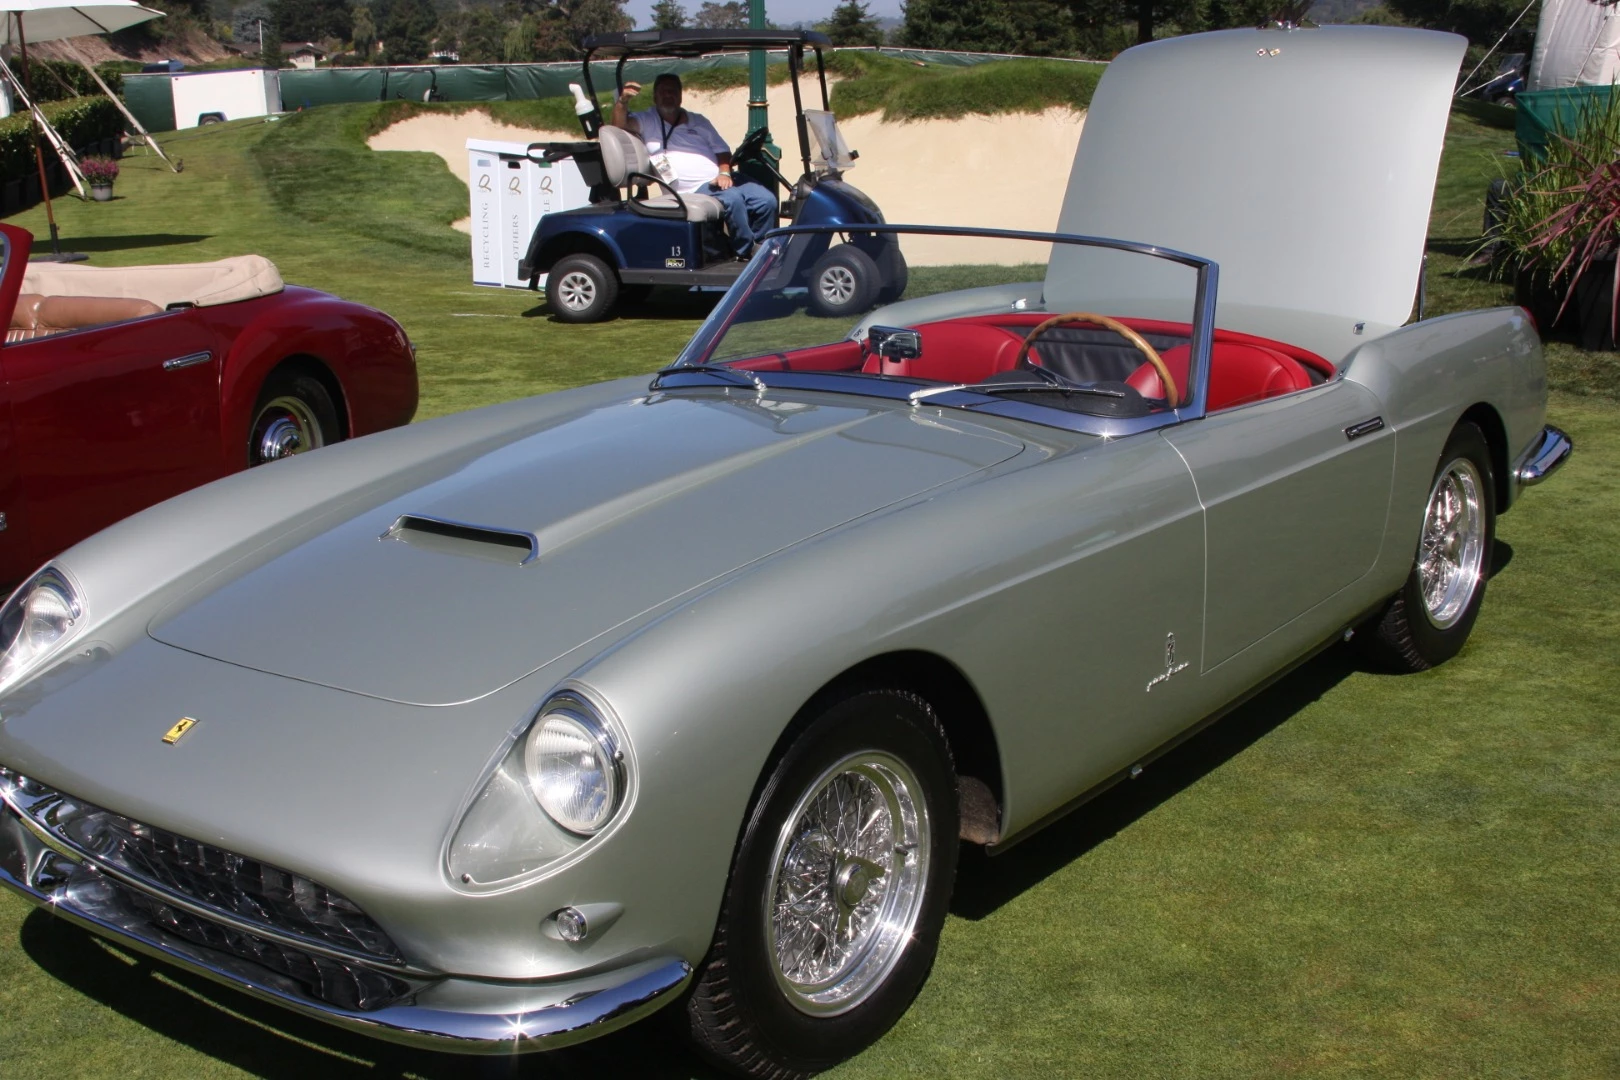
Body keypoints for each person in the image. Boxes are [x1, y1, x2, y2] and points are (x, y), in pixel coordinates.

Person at [611, 73, 776, 260]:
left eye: (673, 91)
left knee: (766, 200)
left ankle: (763, 247)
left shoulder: (698, 121)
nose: (668, 95)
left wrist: (724, 172)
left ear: (681, 96)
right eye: (663, 91)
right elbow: (619, 125)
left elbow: (722, 151)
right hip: (693, 189)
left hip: (721, 178)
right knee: (734, 199)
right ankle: (747, 252)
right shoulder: (647, 119)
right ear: (655, 97)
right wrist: (622, 102)